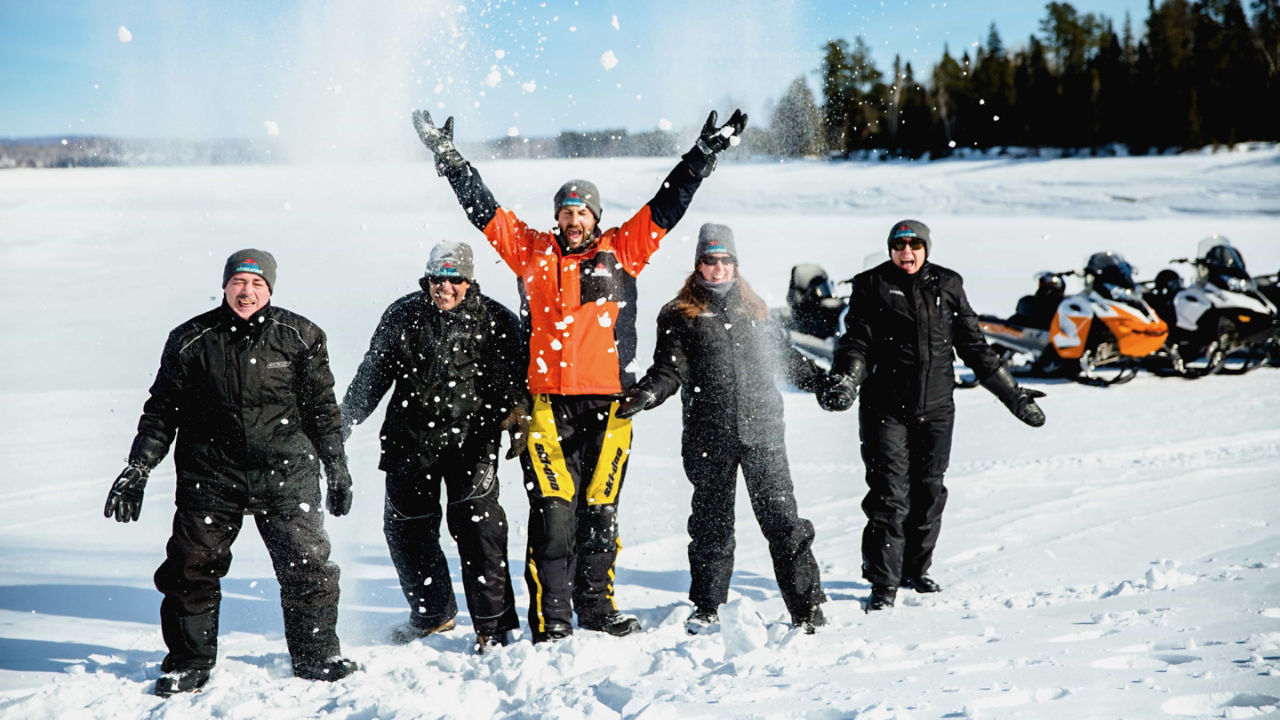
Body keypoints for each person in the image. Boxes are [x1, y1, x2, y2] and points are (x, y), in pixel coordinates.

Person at [410, 106, 748, 642]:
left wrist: (701, 156)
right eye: (566, 211)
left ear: (595, 217)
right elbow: (484, 210)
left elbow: (667, 205)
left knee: (600, 514)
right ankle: (553, 621)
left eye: (582, 211)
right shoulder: (531, 252)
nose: (574, 219)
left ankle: (596, 607)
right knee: (553, 517)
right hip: (547, 406)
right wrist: (450, 160)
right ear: (557, 218)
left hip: (612, 406)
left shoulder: (623, 250)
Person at [103, 249, 358, 696]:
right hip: (211, 476)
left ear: (270, 290)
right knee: (190, 568)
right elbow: (161, 412)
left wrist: (336, 465)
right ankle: (189, 661)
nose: (247, 292)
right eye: (239, 282)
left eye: (258, 284)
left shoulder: (300, 336)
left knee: (309, 567)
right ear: (225, 286)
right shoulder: (190, 339)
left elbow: (322, 411)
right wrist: (138, 467)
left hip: (286, 474)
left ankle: (317, 656)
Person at [819, 220, 1047, 612]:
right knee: (890, 498)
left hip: (937, 409)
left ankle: (914, 570)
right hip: (884, 410)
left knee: (929, 493)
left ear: (926, 248)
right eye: (899, 245)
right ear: (890, 249)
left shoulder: (948, 284)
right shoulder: (870, 284)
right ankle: (883, 583)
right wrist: (847, 381)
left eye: (915, 244)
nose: (907, 252)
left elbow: (975, 347)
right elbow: (857, 341)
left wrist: (1014, 397)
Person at [617, 224, 829, 634]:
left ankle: (806, 608)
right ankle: (707, 606)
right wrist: (644, 395)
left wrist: (822, 382)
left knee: (784, 522)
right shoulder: (679, 314)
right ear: (698, 264)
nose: (717, 268)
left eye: (724, 260)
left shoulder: (758, 311)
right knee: (712, 525)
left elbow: (786, 360)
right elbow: (669, 370)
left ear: (735, 264)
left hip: (763, 433)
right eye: (709, 260)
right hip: (707, 435)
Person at [339, 241, 525, 653]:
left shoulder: (495, 319)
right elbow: (374, 372)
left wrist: (518, 415)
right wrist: (344, 419)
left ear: (469, 281)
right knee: (407, 530)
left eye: (453, 280)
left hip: (471, 443)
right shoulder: (404, 313)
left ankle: (493, 627)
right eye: (437, 279)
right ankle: (432, 614)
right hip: (410, 440)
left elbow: (517, 378)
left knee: (479, 526)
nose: (444, 288)